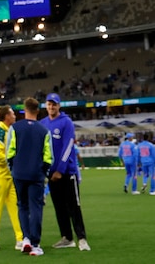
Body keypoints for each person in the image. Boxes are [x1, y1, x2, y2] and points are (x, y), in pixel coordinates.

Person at [40, 92, 90, 251]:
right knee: (59, 207)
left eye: (54, 104)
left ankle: (81, 238)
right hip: (51, 173)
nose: (51, 106)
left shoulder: (66, 122)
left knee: (74, 205)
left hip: (67, 172)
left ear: (59, 105)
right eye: (49, 104)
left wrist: (60, 170)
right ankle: (67, 238)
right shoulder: (42, 123)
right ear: (46, 105)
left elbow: (68, 146)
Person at [7, 97, 53, 256]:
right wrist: (44, 172)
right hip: (36, 174)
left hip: (19, 173)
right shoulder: (44, 130)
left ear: (24, 110)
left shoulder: (14, 128)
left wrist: (13, 168)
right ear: (38, 111)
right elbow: (48, 157)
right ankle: (35, 244)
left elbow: (9, 152)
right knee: (36, 207)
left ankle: (26, 238)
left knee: (22, 206)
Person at [0, 105, 24, 251]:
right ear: (6, 116)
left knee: (15, 208)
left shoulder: (10, 131)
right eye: (12, 114)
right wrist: (13, 160)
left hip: (9, 176)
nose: (14, 116)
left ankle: (20, 238)